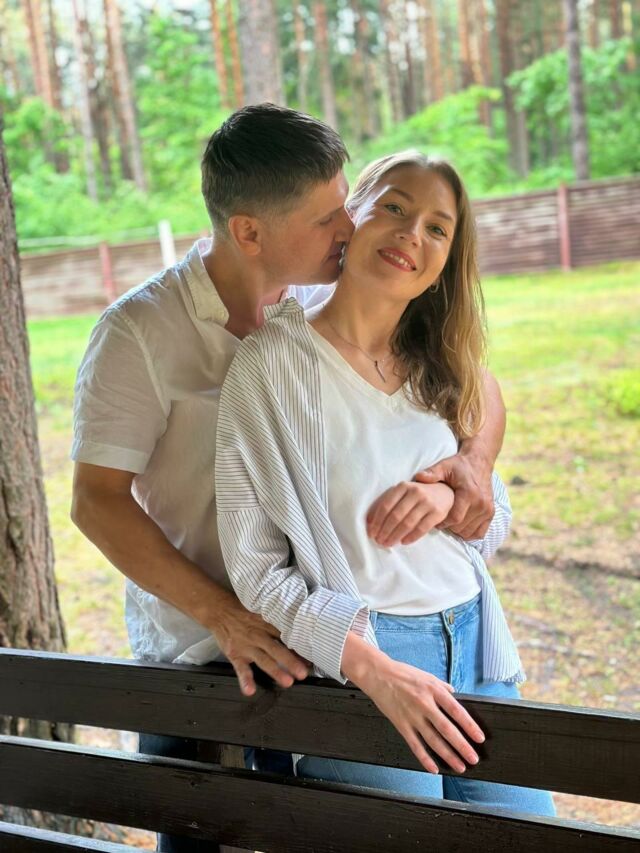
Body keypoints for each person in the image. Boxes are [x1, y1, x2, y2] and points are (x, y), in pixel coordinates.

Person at [71, 105, 508, 850]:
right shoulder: (139, 332)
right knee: (202, 830)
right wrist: (226, 615)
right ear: (250, 233)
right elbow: (96, 502)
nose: (351, 224)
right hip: (208, 644)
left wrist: (470, 468)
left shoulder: (318, 293)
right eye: (328, 216)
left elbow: (475, 380)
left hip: (321, 630)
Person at [216, 150, 555, 815]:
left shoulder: (444, 364)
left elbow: (491, 518)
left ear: (447, 260)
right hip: (366, 662)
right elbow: (258, 572)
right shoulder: (272, 366)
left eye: (437, 227)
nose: (411, 234)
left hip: (474, 642)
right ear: (352, 216)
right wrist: (371, 668)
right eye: (394, 207)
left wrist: (448, 497)